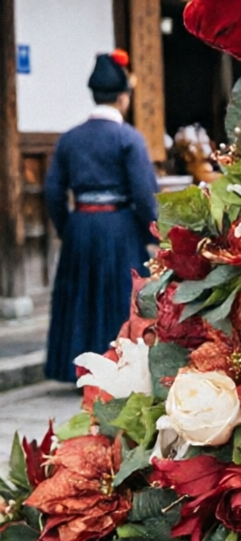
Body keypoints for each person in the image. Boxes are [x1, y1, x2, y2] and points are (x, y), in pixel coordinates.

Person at [43, 51, 158, 383]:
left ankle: (74, 369)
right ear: (123, 97)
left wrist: (69, 228)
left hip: (81, 224)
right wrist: (153, 233)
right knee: (118, 296)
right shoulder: (128, 138)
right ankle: (118, 370)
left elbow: (53, 191)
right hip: (119, 225)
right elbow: (142, 194)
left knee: (80, 296)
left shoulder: (70, 138)